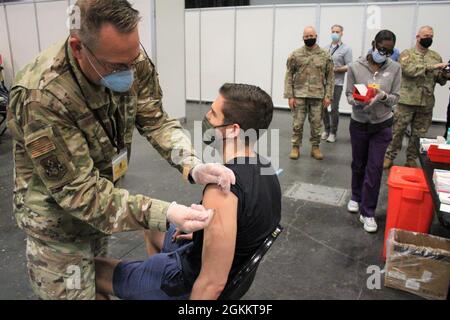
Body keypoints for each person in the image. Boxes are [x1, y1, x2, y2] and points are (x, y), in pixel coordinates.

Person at [6, 0, 235, 300]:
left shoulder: (126, 56)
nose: (130, 70)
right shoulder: (42, 97)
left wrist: (192, 164)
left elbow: (156, 120)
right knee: (75, 293)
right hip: (58, 224)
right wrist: (166, 213)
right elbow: (80, 194)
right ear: (78, 48)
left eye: (134, 56)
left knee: (97, 279)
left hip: (104, 206)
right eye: (118, 65)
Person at [94, 83, 282, 300]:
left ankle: (161, 288)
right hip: (207, 256)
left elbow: (212, 284)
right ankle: (150, 288)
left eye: (213, 112)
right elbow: (247, 227)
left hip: (185, 279)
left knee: (92, 271)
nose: (206, 118)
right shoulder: (265, 168)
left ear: (233, 129)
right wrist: (205, 235)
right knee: (152, 227)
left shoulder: (222, 189)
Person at [346, 30, 401, 233]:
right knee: (358, 164)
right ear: (373, 44)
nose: (384, 53)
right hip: (359, 122)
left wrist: (383, 96)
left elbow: (396, 96)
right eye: (381, 49)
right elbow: (348, 95)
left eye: (388, 50)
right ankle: (355, 196)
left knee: (375, 168)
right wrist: (360, 100)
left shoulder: (395, 68)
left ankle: (368, 212)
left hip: (382, 125)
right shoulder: (355, 67)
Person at [384, 26, 449, 168]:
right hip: (406, 101)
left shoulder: (435, 56)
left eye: (431, 36)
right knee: (397, 131)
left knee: (419, 135)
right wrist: (433, 67)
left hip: (426, 102)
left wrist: (444, 74)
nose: (428, 38)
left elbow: (440, 80)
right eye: (426, 35)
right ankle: (389, 156)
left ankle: (411, 159)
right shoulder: (407, 54)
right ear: (418, 37)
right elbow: (409, 71)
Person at [284, 26, 334, 160]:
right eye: (306, 36)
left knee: (317, 124)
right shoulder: (295, 54)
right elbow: (289, 75)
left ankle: (315, 148)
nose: (309, 38)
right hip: (299, 95)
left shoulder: (325, 55)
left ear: (316, 36)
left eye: (311, 36)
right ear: (303, 38)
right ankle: (295, 147)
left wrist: (328, 95)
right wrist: (290, 96)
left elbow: (330, 77)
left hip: (318, 96)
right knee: (297, 124)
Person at [321, 24, 352, 143]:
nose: (335, 33)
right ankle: (326, 129)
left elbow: (349, 65)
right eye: (333, 31)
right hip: (324, 82)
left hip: (337, 83)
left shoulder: (346, 49)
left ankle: (333, 132)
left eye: (337, 32)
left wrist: (336, 69)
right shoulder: (325, 48)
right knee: (323, 107)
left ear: (342, 33)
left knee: (334, 108)